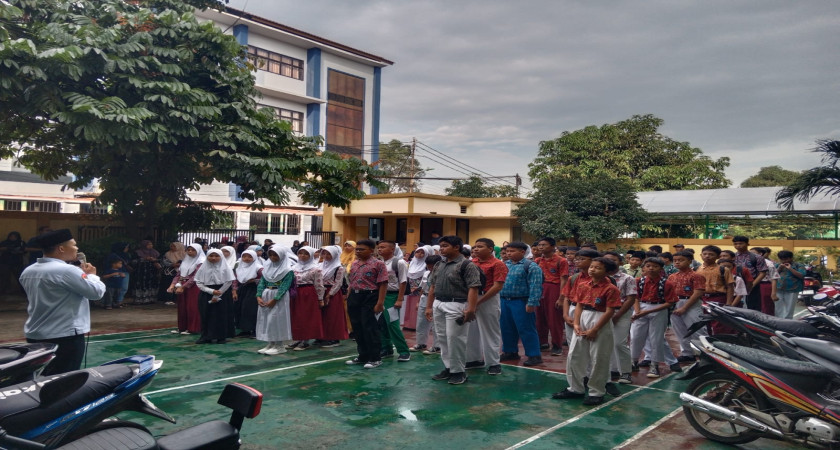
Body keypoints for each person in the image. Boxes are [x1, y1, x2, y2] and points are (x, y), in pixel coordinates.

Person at [20, 229, 106, 375]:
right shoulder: (67, 271)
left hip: (36, 334)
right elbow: (96, 292)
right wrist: (91, 276)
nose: (77, 248)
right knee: (64, 379)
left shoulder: (28, 271)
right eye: (73, 245)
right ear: (61, 248)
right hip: (64, 336)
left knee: (41, 376)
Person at [553, 257, 622, 405]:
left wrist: (595, 329)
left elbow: (610, 311)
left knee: (599, 358)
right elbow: (579, 305)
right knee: (575, 355)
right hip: (583, 317)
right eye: (592, 266)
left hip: (600, 319)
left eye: (597, 268)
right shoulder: (583, 285)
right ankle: (575, 388)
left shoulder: (611, 289)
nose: (592, 269)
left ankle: (596, 392)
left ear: (607, 272)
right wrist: (577, 324)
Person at [425, 235, 482, 384]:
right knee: (442, 338)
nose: (441, 249)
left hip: (457, 304)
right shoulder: (439, 264)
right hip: (439, 303)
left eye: (445, 246)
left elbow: (473, 287)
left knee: (455, 339)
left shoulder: (467, 265)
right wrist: (429, 306)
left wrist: (471, 309)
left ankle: (459, 371)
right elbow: (432, 286)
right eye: (441, 246)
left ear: (456, 247)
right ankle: (449, 368)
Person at [499, 242, 544, 366]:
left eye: (512, 251)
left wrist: (532, 303)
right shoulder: (504, 265)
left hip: (521, 301)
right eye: (507, 251)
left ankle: (534, 354)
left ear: (522, 252)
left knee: (526, 328)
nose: (508, 253)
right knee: (506, 328)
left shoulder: (531, 266)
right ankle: (510, 351)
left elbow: (535, 286)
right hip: (504, 300)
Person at [346, 239, 389, 369]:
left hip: (370, 296)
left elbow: (383, 283)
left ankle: (375, 358)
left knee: (369, 327)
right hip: (355, 296)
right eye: (357, 249)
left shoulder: (378, 264)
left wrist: (380, 303)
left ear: (371, 250)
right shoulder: (354, 264)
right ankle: (362, 355)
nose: (358, 251)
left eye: (361, 249)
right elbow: (351, 282)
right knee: (357, 327)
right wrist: (349, 296)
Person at [630, 257, 676, 378]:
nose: (651, 268)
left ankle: (654, 365)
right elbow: (635, 297)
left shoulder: (667, 283)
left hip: (659, 308)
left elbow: (669, 302)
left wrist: (647, 311)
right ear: (643, 267)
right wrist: (638, 310)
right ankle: (633, 361)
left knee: (656, 338)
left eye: (655, 266)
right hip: (641, 307)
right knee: (636, 336)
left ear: (661, 269)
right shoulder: (638, 281)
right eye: (648, 266)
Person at [468, 238, 507, 375]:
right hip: (472, 297)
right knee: (471, 330)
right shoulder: (472, 263)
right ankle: (474, 359)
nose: (476, 249)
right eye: (475, 246)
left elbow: (497, 286)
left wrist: (478, 302)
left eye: (480, 246)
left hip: (488, 299)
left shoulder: (498, 264)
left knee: (490, 331)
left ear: (490, 249)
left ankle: (493, 363)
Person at [603, 251, 637, 385]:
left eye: (613, 260)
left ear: (620, 262)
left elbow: (631, 298)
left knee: (619, 343)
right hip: (603, 312)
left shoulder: (627, 278)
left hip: (621, 312)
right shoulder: (601, 277)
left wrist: (617, 315)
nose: (609, 263)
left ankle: (626, 372)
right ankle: (612, 369)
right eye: (605, 260)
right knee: (605, 342)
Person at [667, 251, 706, 362]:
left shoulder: (696, 276)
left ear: (690, 261)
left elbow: (698, 292)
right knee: (680, 330)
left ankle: (703, 353)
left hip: (690, 303)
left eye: (681, 260)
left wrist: (684, 308)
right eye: (675, 260)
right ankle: (687, 353)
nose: (677, 262)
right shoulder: (672, 276)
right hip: (675, 302)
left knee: (696, 329)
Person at [255, 244, 295, 355]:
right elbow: (262, 283)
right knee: (267, 320)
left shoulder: (288, 270)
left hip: (279, 297)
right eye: (270, 255)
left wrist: (275, 299)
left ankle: (280, 345)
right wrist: (258, 296)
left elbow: (284, 286)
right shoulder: (267, 269)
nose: (273, 257)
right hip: (266, 294)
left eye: (275, 255)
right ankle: (271, 343)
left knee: (277, 319)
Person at [377, 240, 411, 362]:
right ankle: (386, 349)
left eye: (383, 247)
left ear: (392, 249)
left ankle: (403, 351)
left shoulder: (399, 262)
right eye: (379, 247)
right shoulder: (379, 262)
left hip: (392, 296)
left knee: (393, 324)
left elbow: (403, 281)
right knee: (381, 323)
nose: (379, 249)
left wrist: (399, 299)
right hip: (381, 295)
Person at [534, 237, 569, 356]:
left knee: (554, 319)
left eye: (544, 245)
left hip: (554, 288)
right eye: (539, 245)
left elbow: (563, 279)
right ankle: (543, 342)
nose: (541, 247)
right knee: (539, 318)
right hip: (539, 289)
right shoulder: (537, 260)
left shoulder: (561, 260)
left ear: (553, 246)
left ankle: (557, 345)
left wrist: (561, 297)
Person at [193, 249, 236, 344]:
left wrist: (219, 293)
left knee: (221, 315)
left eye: (216, 256)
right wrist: (211, 291)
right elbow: (198, 282)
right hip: (206, 293)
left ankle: (221, 336)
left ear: (221, 257)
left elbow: (228, 281)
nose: (213, 258)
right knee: (206, 314)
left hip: (223, 293)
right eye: (211, 256)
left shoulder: (226, 267)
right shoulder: (202, 268)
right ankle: (206, 336)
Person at [287, 246, 325, 351]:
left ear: (311, 255)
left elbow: (319, 284)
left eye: (306, 254)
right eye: (300, 253)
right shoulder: (294, 267)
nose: (302, 256)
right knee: (296, 316)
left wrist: (320, 298)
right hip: (295, 293)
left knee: (306, 316)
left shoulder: (316, 269)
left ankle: (306, 340)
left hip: (308, 294)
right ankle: (297, 338)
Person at [167, 243, 204, 335]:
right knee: (182, 307)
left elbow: (195, 277)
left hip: (194, 287)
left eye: (193, 250)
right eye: (188, 250)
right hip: (182, 285)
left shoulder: (201, 262)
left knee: (192, 307)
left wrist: (183, 286)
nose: (190, 252)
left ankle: (193, 328)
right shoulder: (185, 261)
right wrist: (172, 285)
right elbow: (179, 274)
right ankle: (182, 327)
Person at [697, 245, 734, 334]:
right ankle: (708, 340)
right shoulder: (697, 269)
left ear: (718, 257)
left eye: (711, 254)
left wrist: (729, 303)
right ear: (701, 255)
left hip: (718, 298)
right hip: (701, 298)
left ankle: (719, 341)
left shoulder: (723, 269)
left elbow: (730, 287)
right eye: (705, 254)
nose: (707, 256)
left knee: (718, 322)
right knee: (704, 321)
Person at [318, 245, 349, 346]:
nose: (325, 256)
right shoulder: (320, 265)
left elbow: (338, 283)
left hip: (332, 293)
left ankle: (334, 338)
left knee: (332, 316)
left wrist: (330, 294)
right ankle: (322, 336)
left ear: (334, 255)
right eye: (324, 253)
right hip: (321, 291)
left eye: (329, 254)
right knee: (322, 315)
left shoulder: (339, 268)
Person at [413, 255, 441, 354]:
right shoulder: (426, 273)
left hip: (436, 298)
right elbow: (422, 287)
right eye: (428, 266)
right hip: (424, 298)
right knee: (421, 322)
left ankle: (437, 346)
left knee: (435, 323)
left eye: (432, 266)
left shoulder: (441, 274)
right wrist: (418, 301)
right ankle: (421, 343)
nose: (430, 268)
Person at [732, 236, 767, 311]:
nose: (738, 246)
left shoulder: (756, 257)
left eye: (741, 243)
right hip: (735, 284)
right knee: (736, 306)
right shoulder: (732, 257)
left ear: (748, 244)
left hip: (752, 284)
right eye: (735, 244)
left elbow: (762, 273)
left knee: (753, 307)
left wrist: (752, 285)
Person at [233, 249, 262, 337]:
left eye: (250, 256)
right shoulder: (239, 267)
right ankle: (244, 330)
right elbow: (234, 279)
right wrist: (234, 290)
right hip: (241, 289)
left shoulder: (258, 267)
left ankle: (253, 330)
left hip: (253, 289)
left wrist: (254, 280)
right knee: (240, 308)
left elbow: (266, 279)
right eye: (244, 256)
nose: (247, 259)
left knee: (250, 309)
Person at [404, 245, 432, 334]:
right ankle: (408, 324)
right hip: (410, 290)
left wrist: (418, 288)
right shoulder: (411, 263)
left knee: (418, 308)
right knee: (409, 307)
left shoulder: (426, 266)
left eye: (422, 253)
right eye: (417, 252)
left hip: (420, 291)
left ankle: (417, 325)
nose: (419, 254)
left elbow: (427, 279)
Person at [775, 250, 805, 319]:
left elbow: (801, 275)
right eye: (782, 259)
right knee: (778, 307)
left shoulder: (798, 265)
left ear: (791, 258)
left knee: (789, 308)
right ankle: (778, 321)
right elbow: (772, 275)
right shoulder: (777, 265)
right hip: (778, 288)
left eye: (786, 259)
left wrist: (790, 269)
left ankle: (788, 322)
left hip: (793, 289)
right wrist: (779, 269)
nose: (784, 261)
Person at [751, 247, 780, 315]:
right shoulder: (749, 262)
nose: (750, 255)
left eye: (753, 253)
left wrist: (773, 293)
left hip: (764, 285)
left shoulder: (768, 263)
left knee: (766, 307)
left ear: (760, 254)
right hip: (751, 285)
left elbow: (774, 278)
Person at [132, 240, 161, 304]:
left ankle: (151, 299)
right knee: (141, 284)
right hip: (141, 272)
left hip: (153, 272)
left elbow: (160, 260)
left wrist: (155, 260)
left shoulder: (155, 252)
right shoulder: (138, 252)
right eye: (148, 244)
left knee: (151, 284)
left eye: (151, 244)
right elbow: (133, 262)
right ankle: (140, 300)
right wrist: (144, 259)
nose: (150, 246)